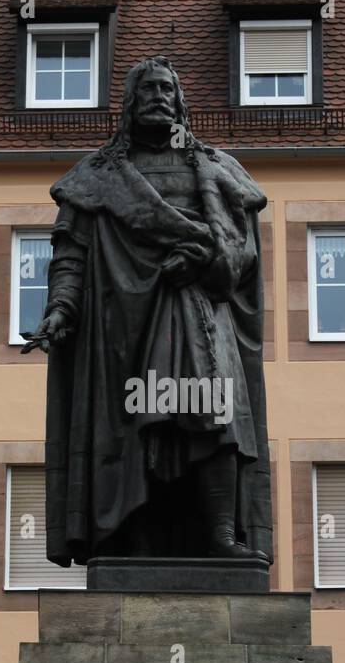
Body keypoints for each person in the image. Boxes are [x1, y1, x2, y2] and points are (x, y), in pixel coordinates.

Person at [23, 55, 272, 566]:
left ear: (180, 103)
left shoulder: (217, 168)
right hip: (121, 327)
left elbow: (244, 251)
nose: (159, 96)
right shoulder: (98, 176)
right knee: (133, 423)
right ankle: (129, 542)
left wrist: (205, 257)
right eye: (148, 89)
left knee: (215, 415)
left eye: (167, 89)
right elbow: (71, 255)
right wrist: (60, 310)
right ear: (130, 104)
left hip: (200, 312)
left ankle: (222, 536)